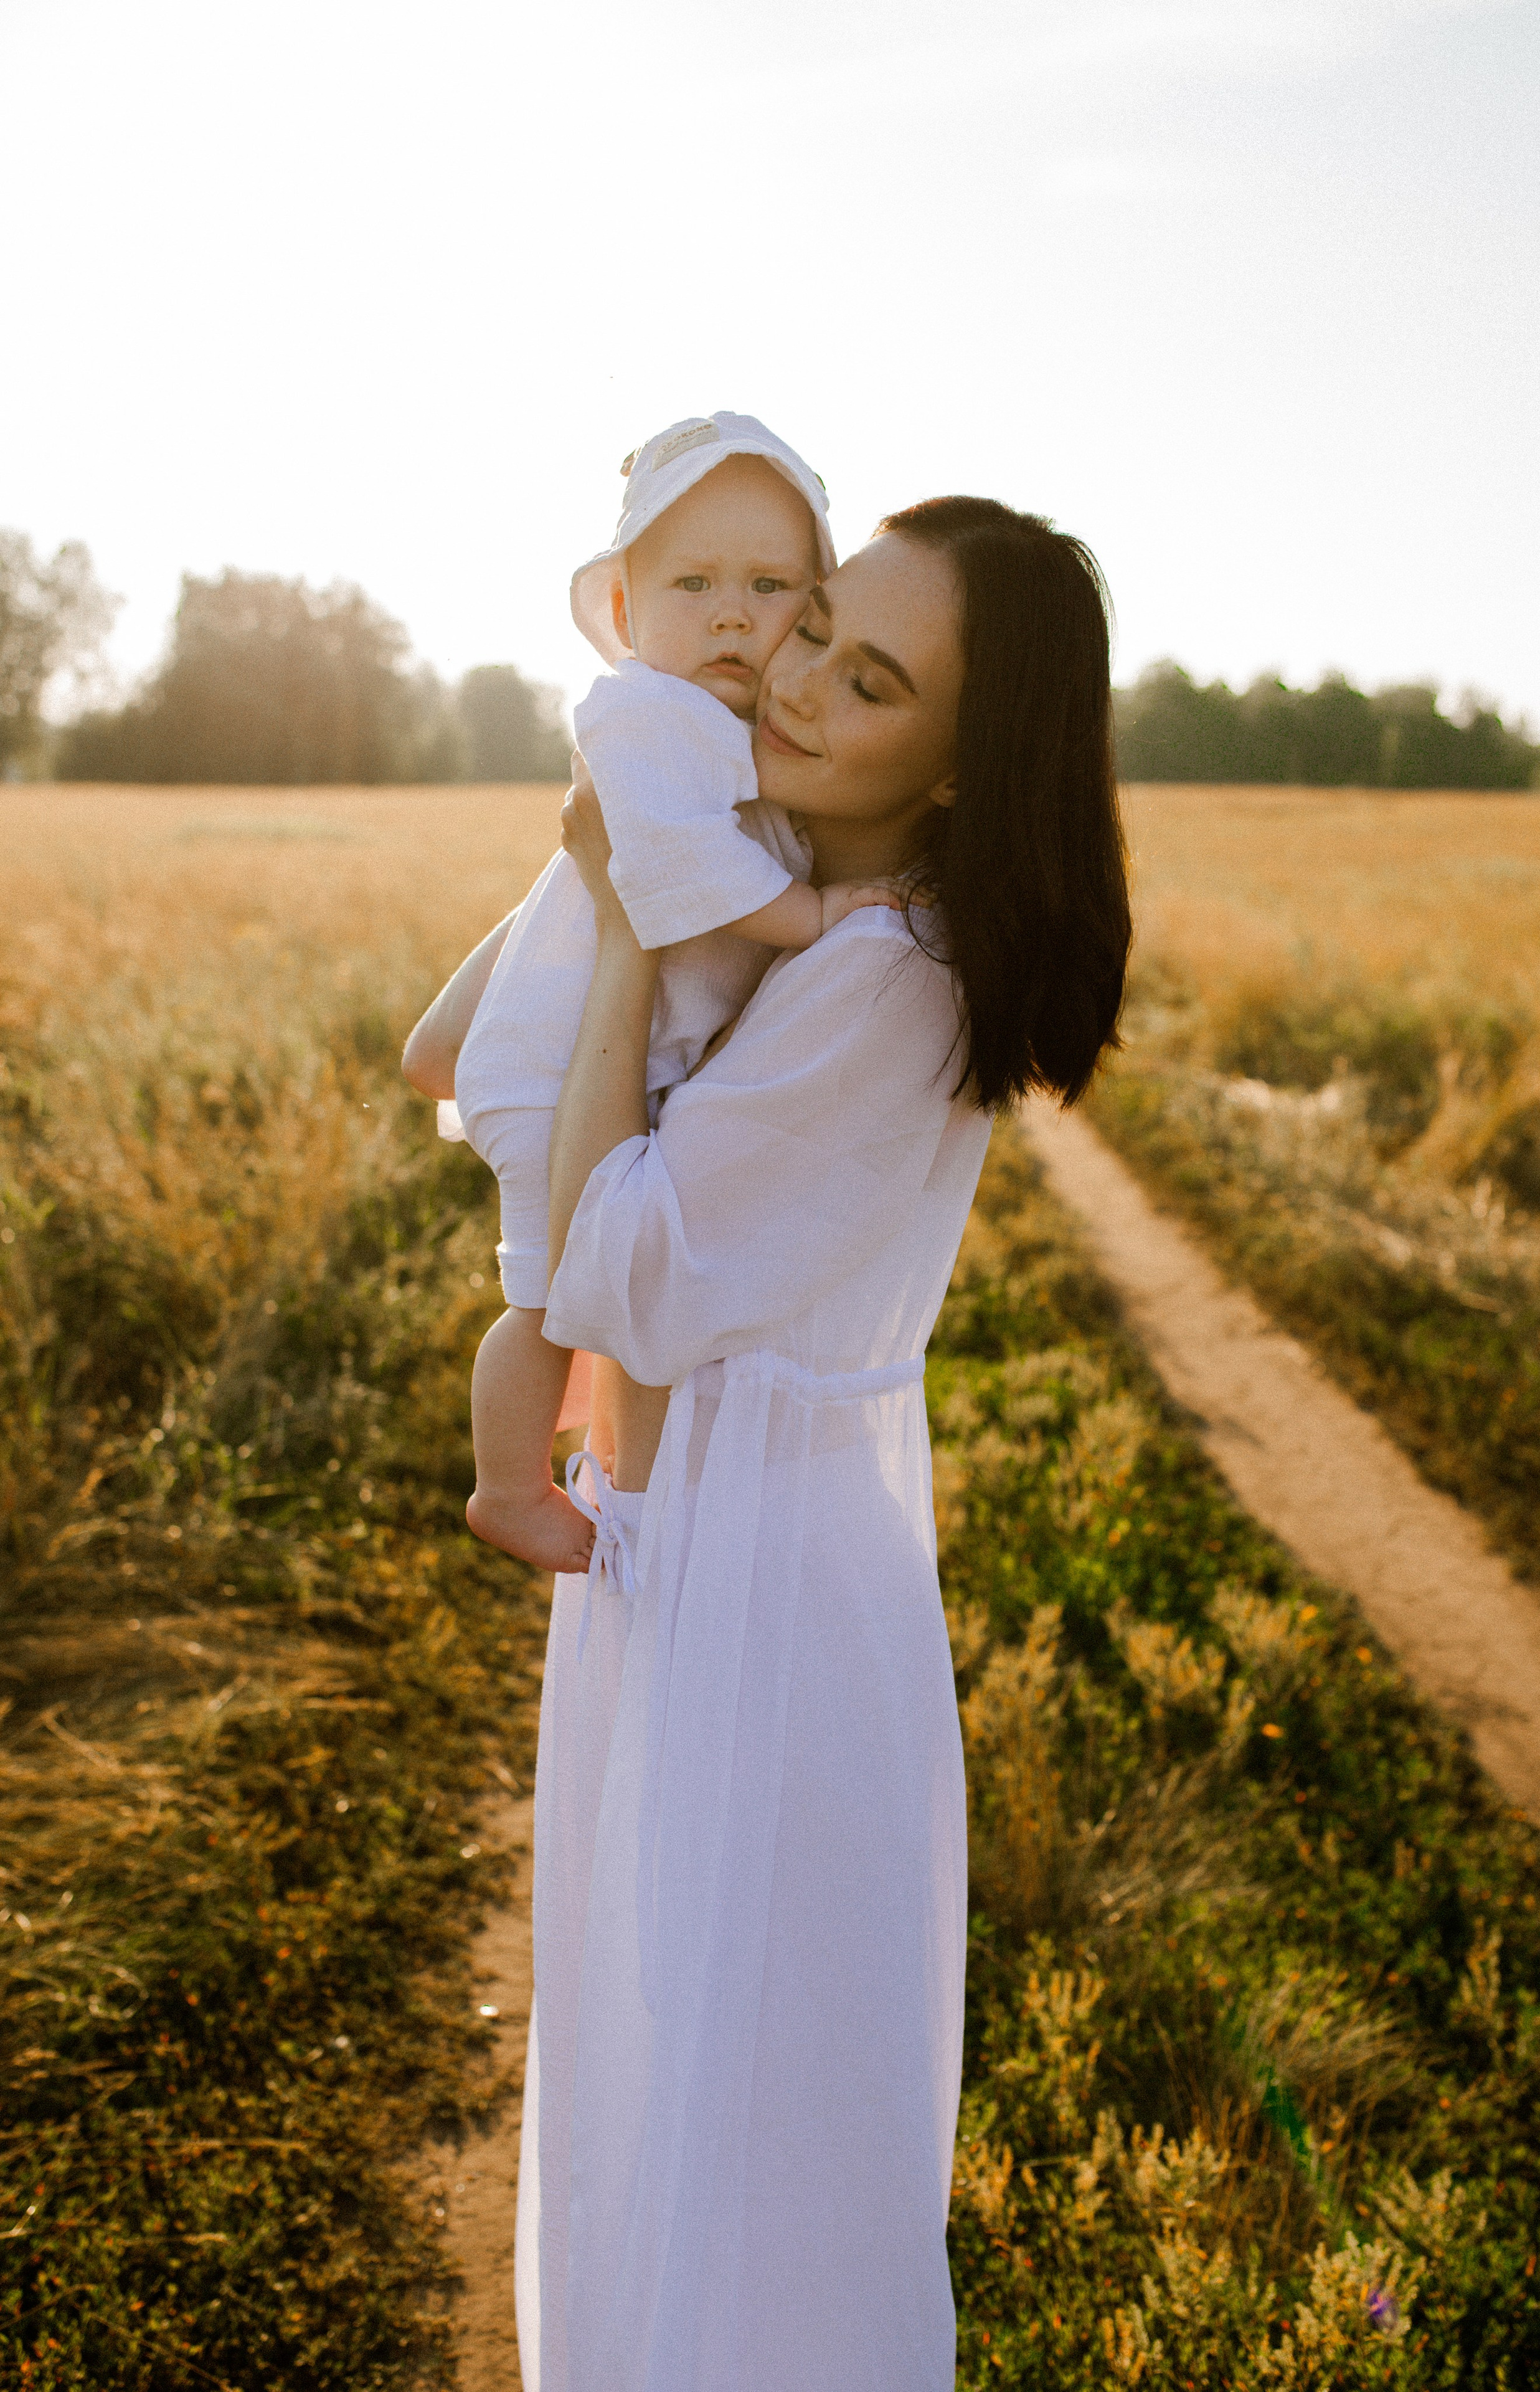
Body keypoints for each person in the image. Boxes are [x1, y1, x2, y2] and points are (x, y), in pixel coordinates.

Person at [496, 492, 1133, 2391]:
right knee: (666, 2079)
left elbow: (616, 1269)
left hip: (759, 1584)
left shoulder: (886, 972)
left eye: (870, 679)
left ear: (958, 772)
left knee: (737, 2137)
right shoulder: (807, 920)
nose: (790, 677)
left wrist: (623, 918)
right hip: (709, 1539)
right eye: (814, 624)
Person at [404, 414, 896, 1577]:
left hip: (591, 1053)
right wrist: (816, 919)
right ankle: (507, 1491)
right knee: (550, 1299)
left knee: (587, 1292)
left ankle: (588, 1467)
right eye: (694, 583)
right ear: (626, 614)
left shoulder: (717, 729)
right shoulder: (650, 717)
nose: (732, 612)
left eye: (771, 584)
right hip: (559, 1072)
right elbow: (680, 878)